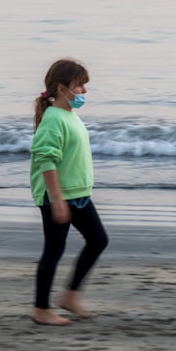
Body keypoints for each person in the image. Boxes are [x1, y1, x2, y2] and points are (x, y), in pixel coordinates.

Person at [29, 58, 109, 326]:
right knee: (54, 250)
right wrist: (57, 200)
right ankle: (41, 309)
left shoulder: (68, 115)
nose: (84, 92)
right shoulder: (53, 119)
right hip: (59, 196)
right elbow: (45, 160)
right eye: (80, 86)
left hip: (78, 194)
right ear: (63, 89)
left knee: (98, 240)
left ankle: (70, 296)